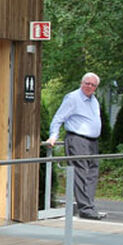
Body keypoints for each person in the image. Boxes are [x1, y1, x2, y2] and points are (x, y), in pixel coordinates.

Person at [46, 72, 105, 220]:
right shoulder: (73, 98)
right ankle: (85, 208)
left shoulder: (94, 100)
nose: (89, 87)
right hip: (77, 140)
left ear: (96, 87)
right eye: (87, 83)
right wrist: (54, 136)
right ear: (81, 83)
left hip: (92, 142)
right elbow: (59, 118)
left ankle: (90, 205)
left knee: (92, 173)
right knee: (80, 173)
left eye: (93, 85)